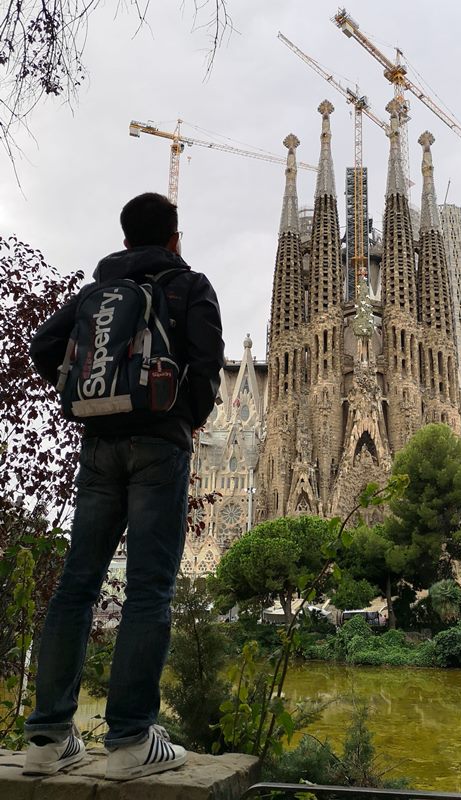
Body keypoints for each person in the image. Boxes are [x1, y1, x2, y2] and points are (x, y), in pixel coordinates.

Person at [23, 192, 224, 780]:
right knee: (148, 589)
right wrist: (182, 412)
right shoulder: (190, 286)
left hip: (99, 445)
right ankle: (132, 740)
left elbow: (43, 348)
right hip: (160, 444)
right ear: (174, 238)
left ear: (125, 239)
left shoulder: (96, 294)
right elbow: (207, 363)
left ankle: (47, 737)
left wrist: (85, 403)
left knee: (75, 586)